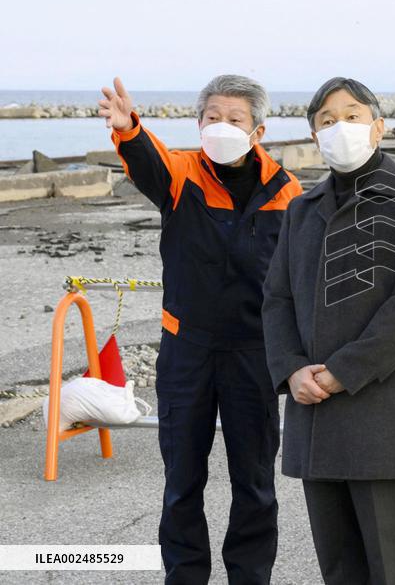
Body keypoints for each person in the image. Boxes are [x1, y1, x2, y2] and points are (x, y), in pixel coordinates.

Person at [99, 75, 301, 584]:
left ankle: (249, 577)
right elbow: (147, 161)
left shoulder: (287, 191)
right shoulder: (182, 173)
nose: (221, 126)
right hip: (187, 351)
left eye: (234, 119)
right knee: (182, 480)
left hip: (254, 354)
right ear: (199, 123)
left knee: (255, 483)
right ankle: (185, 576)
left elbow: (299, 277)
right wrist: (128, 129)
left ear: (258, 130)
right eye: (213, 117)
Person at [262, 77, 395, 585]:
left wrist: (342, 372)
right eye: (327, 120)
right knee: (339, 566)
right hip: (315, 411)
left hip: (384, 412)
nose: (339, 127)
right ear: (314, 135)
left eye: (351, 116)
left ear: (378, 127)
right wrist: (291, 369)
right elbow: (276, 299)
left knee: (392, 569)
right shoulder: (301, 210)